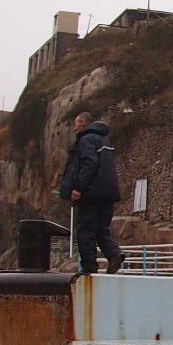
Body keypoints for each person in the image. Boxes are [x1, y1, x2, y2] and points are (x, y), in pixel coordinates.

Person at [57, 111, 125, 275]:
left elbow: (89, 163)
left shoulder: (86, 140)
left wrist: (78, 188)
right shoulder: (105, 140)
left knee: (85, 230)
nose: (75, 129)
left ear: (82, 124)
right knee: (101, 228)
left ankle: (89, 266)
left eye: (76, 124)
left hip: (92, 192)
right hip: (108, 192)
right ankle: (114, 254)